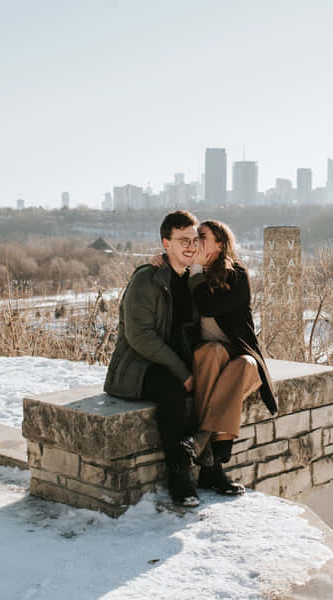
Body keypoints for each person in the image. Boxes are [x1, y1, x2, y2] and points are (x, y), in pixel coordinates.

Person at [104, 210, 201, 506]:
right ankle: (179, 476)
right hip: (137, 368)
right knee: (173, 390)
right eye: (182, 239)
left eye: (195, 239)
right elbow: (140, 337)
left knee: (213, 383)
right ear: (165, 243)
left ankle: (212, 467)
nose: (190, 245)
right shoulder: (147, 280)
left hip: (175, 363)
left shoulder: (191, 279)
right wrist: (183, 372)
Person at [180, 219, 278, 495]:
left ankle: (203, 438)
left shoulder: (236, 274)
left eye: (203, 236)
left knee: (247, 366)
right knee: (211, 353)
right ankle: (213, 468)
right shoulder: (188, 269)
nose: (197, 241)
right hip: (205, 351)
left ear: (220, 243)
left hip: (238, 349)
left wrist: (197, 272)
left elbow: (209, 306)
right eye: (195, 237)